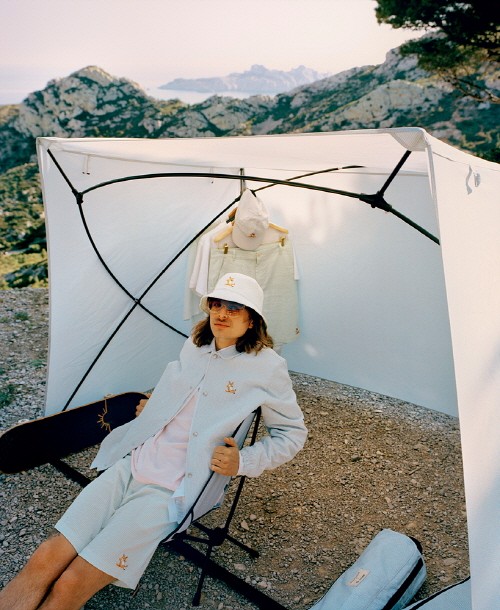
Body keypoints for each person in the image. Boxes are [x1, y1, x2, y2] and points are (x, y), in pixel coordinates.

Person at [0, 272, 307, 610]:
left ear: (252, 319)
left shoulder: (267, 368)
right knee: (44, 557)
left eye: (234, 307)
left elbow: (292, 433)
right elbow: (184, 396)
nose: (221, 313)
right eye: (216, 304)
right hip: (133, 464)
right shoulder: (195, 346)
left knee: (70, 584)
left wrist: (243, 461)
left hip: (172, 490)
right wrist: (156, 405)